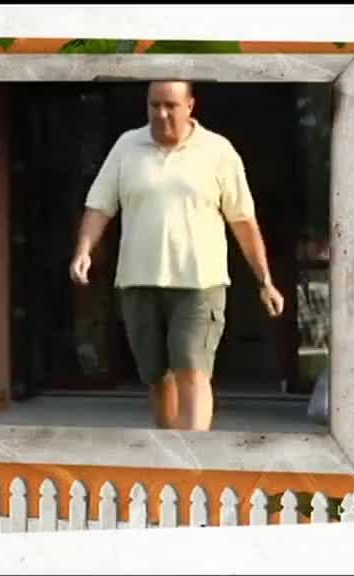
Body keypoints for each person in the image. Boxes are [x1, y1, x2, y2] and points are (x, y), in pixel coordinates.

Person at [68, 80, 285, 432]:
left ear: (190, 106)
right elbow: (100, 206)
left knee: (192, 371)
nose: (161, 113)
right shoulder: (127, 146)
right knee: (157, 378)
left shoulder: (218, 150)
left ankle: (194, 457)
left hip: (199, 283)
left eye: (170, 105)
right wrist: (83, 251)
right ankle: (170, 453)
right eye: (154, 105)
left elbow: (243, 220)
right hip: (138, 281)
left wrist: (265, 281)